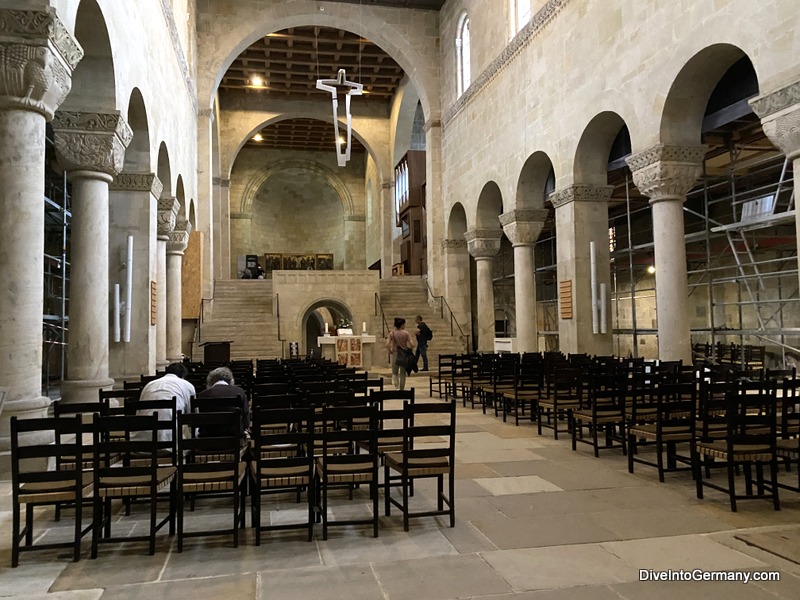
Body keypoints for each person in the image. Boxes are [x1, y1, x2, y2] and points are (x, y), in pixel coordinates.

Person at [137, 362, 196, 442]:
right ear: (182, 376)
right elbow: (192, 415)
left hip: (145, 439)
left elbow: (139, 412)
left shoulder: (149, 384)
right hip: (172, 438)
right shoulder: (187, 385)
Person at [195, 366, 249, 441]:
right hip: (234, 437)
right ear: (231, 380)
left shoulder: (203, 394)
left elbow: (200, 419)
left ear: (210, 381)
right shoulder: (239, 391)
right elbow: (246, 419)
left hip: (208, 438)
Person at [386, 317, 417, 391]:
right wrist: (409, 349)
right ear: (402, 325)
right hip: (404, 354)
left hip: (395, 353)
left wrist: (389, 350)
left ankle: (396, 387)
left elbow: (387, 344)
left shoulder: (392, 333)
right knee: (403, 373)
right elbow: (412, 344)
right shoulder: (406, 333)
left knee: (394, 372)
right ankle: (402, 389)